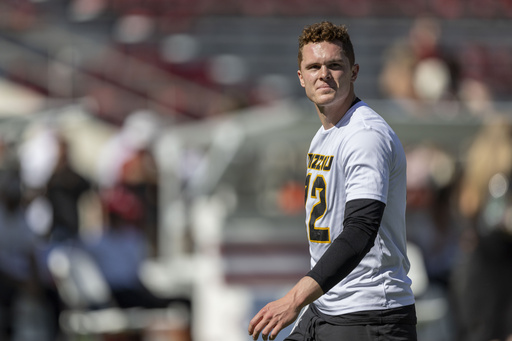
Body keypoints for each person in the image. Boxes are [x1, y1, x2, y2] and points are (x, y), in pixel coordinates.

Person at [248, 21, 417, 341]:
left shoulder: (365, 135)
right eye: (313, 66)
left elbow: (360, 230)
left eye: (334, 65)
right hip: (328, 307)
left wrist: (294, 298)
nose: (323, 74)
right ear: (301, 77)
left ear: (353, 72)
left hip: (369, 314)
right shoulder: (325, 134)